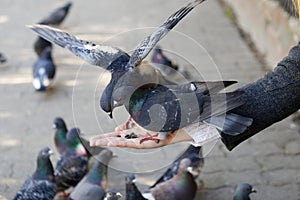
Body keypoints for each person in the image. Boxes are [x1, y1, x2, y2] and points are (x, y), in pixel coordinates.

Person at [90, 41, 300, 151]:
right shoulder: (141, 99)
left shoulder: (144, 106)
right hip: (190, 98)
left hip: (193, 101)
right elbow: (293, 77)